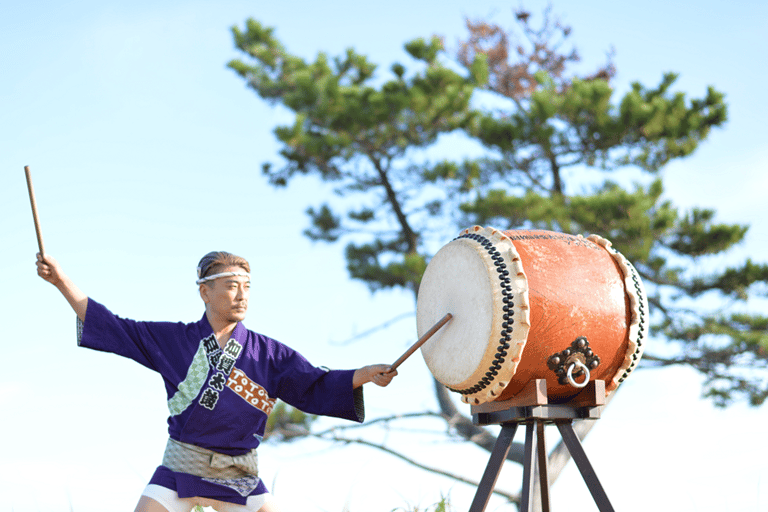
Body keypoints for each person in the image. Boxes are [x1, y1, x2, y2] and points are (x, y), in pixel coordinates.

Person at [36, 250, 397, 512]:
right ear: (205, 292)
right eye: (231, 286)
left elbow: (314, 383)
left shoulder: (268, 353)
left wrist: (365, 374)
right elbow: (115, 328)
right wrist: (61, 281)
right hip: (181, 466)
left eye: (247, 287)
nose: (242, 295)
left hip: (239, 473)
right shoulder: (174, 341)